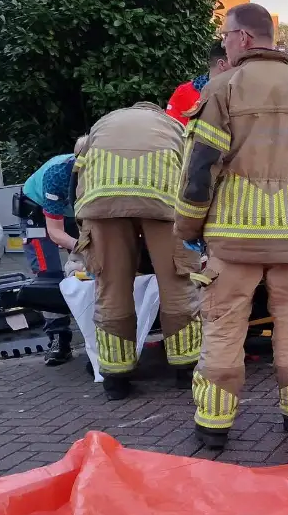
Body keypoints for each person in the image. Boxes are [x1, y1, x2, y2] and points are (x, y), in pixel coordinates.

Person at [175, 3, 288, 450]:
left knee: (224, 326)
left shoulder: (222, 90)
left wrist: (188, 227)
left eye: (226, 36)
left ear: (245, 38)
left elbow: (200, 168)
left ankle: (213, 424)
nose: (224, 43)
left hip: (234, 237)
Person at [71, 102, 201, 399]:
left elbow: (77, 175)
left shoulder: (103, 123)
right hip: (163, 202)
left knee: (111, 287)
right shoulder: (174, 127)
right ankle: (185, 368)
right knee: (176, 281)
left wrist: (83, 223)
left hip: (101, 203)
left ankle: (116, 378)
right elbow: (193, 175)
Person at [17, 138, 86, 365]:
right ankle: (58, 338)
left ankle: (95, 327)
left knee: (86, 268)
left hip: (73, 213)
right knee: (48, 273)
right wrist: (84, 246)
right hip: (38, 213)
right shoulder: (58, 174)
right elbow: (55, 232)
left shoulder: (107, 173)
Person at [166, 41, 230, 126]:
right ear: (222, 64)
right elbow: (172, 131)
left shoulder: (242, 93)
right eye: (238, 62)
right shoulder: (185, 92)